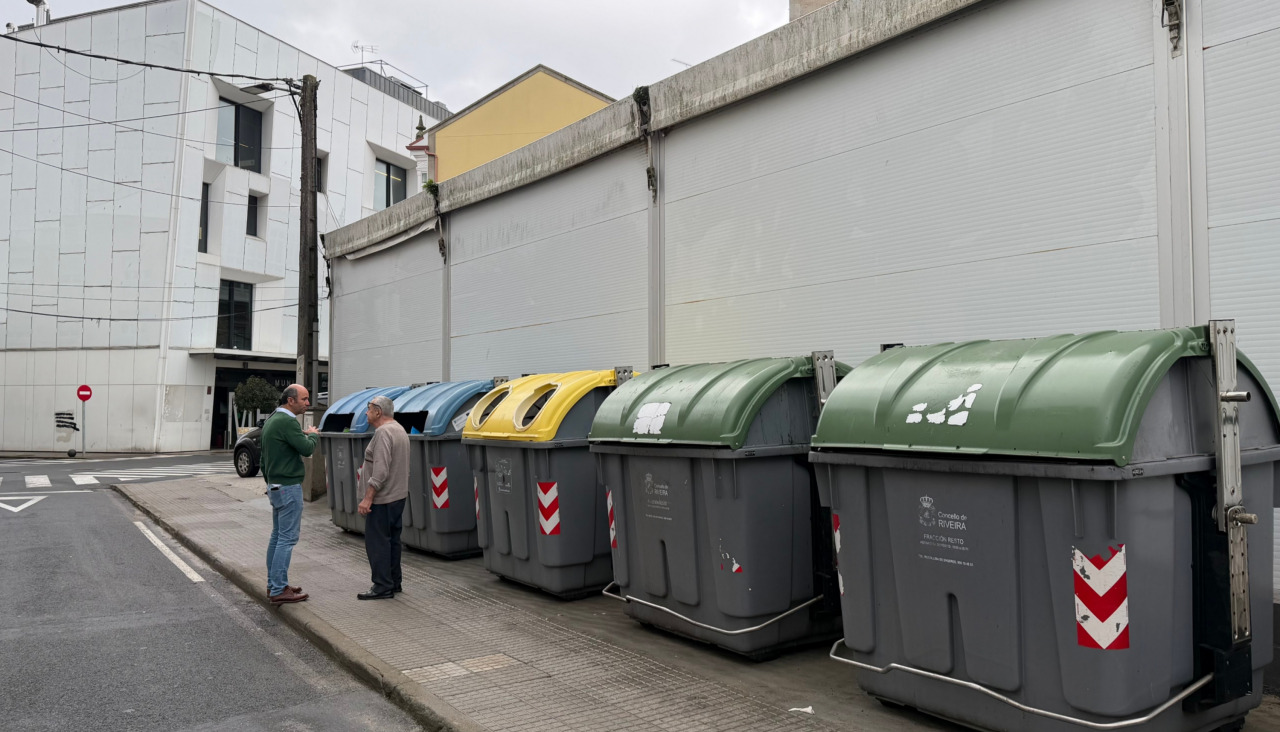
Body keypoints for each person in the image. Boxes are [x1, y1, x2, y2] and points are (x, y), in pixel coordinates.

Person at [261, 383, 320, 605]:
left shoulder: (272, 419)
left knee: (277, 537)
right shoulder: (288, 421)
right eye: (304, 399)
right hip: (288, 487)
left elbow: (264, 459)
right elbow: (306, 449)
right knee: (287, 539)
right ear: (290, 400)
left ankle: (275, 584)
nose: (308, 403)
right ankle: (278, 589)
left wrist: (269, 483)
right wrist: (313, 435)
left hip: (276, 486)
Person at [356, 395, 410, 600]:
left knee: (377, 543)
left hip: (383, 499)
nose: (366, 412)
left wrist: (368, 498)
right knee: (392, 542)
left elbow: (380, 471)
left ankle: (382, 586)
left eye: (369, 408)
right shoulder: (399, 429)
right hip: (398, 497)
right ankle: (394, 582)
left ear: (378, 411)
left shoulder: (383, 432)